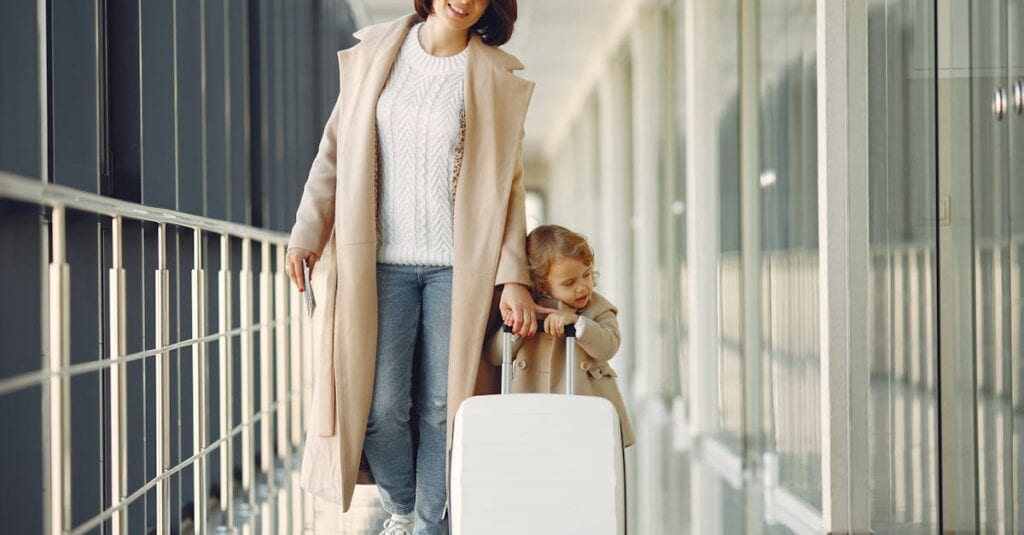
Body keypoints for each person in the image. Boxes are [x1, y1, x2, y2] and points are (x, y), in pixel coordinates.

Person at [283, 1, 553, 534]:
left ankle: (427, 524)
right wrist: (306, 233)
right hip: (376, 263)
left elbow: (509, 191)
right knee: (380, 406)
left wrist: (513, 278)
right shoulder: (376, 53)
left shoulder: (495, 79)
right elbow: (333, 152)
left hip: (460, 270)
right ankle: (403, 509)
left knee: (441, 407)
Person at [484, 225, 636, 447]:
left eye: (586, 274)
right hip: (533, 409)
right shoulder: (528, 310)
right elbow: (494, 357)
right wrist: (516, 331)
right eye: (569, 283)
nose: (582, 287)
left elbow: (609, 346)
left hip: (586, 409)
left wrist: (577, 322)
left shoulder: (599, 309)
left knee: (588, 462)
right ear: (541, 284)